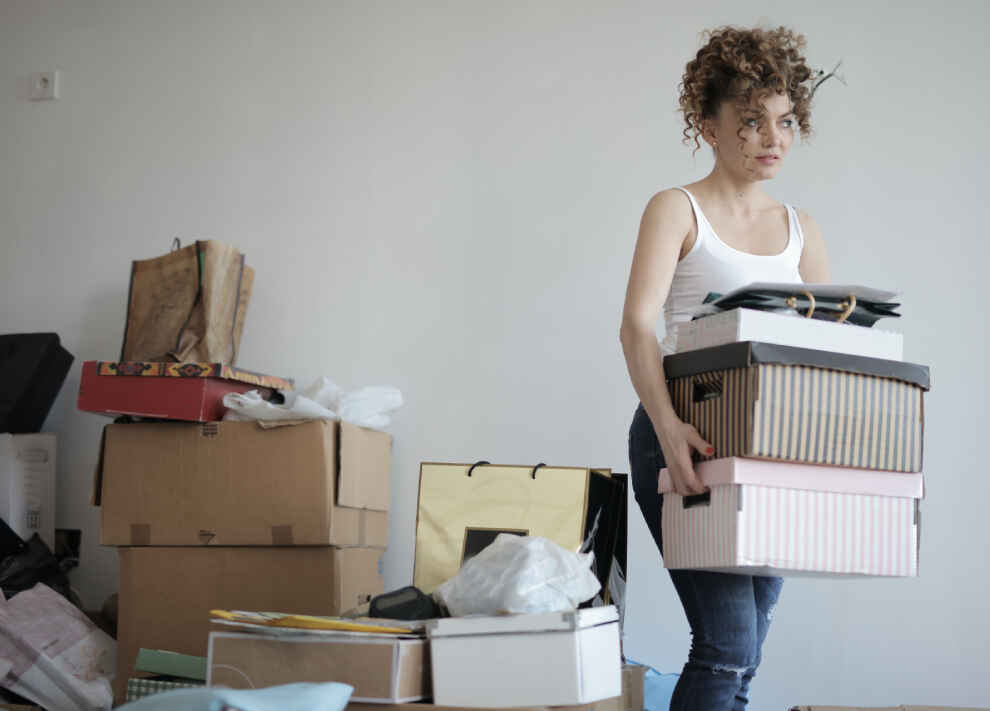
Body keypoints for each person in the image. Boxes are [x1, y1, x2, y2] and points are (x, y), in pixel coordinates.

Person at [619, 26, 832, 710]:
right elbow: (636, 326)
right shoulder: (676, 209)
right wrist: (669, 426)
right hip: (685, 432)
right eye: (750, 121)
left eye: (785, 121)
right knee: (728, 642)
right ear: (707, 126)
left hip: (770, 447)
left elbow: (822, 351)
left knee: (746, 651)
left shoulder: (802, 229)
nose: (772, 138)